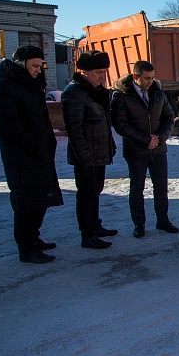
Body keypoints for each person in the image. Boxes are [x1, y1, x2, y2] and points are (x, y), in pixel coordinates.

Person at [0, 45, 63, 263]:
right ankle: (26, 248)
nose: (38, 70)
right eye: (34, 66)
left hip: (39, 152)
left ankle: (34, 237)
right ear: (21, 63)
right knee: (26, 202)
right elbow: (9, 126)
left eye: (40, 66)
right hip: (21, 156)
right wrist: (33, 145)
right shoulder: (3, 87)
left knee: (41, 198)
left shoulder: (30, 85)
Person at [110, 60, 178, 238]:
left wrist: (160, 138)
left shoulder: (158, 93)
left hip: (158, 150)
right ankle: (139, 224)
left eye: (153, 77)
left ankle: (163, 220)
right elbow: (120, 125)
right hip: (136, 151)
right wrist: (145, 140)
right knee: (137, 188)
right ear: (135, 77)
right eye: (147, 78)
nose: (150, 81)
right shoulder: (122, 95)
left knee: (161, 187)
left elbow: (169, 118)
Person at [61, 50, 117, 249]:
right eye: (97, 72)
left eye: (104, 72)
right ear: (84, 72)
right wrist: (84, 158)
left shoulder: (97, 91)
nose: (102, 76)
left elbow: (103, 123)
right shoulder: (74, 93)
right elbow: (74, 129)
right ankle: (87, 235)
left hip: (99, 153)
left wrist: (110, 145)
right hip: (85, 155)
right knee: (85, 194)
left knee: (96, 190)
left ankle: (95, 226)